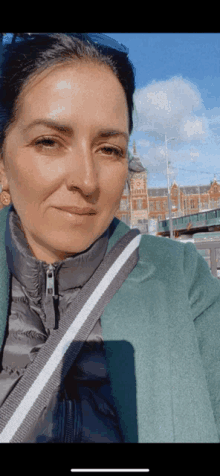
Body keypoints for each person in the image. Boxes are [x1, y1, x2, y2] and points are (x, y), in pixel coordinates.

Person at [0, 33, 220, 444]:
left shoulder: (184, 281)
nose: (86, 181)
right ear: (2, 162)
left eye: (110, 149)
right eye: (49, 141)